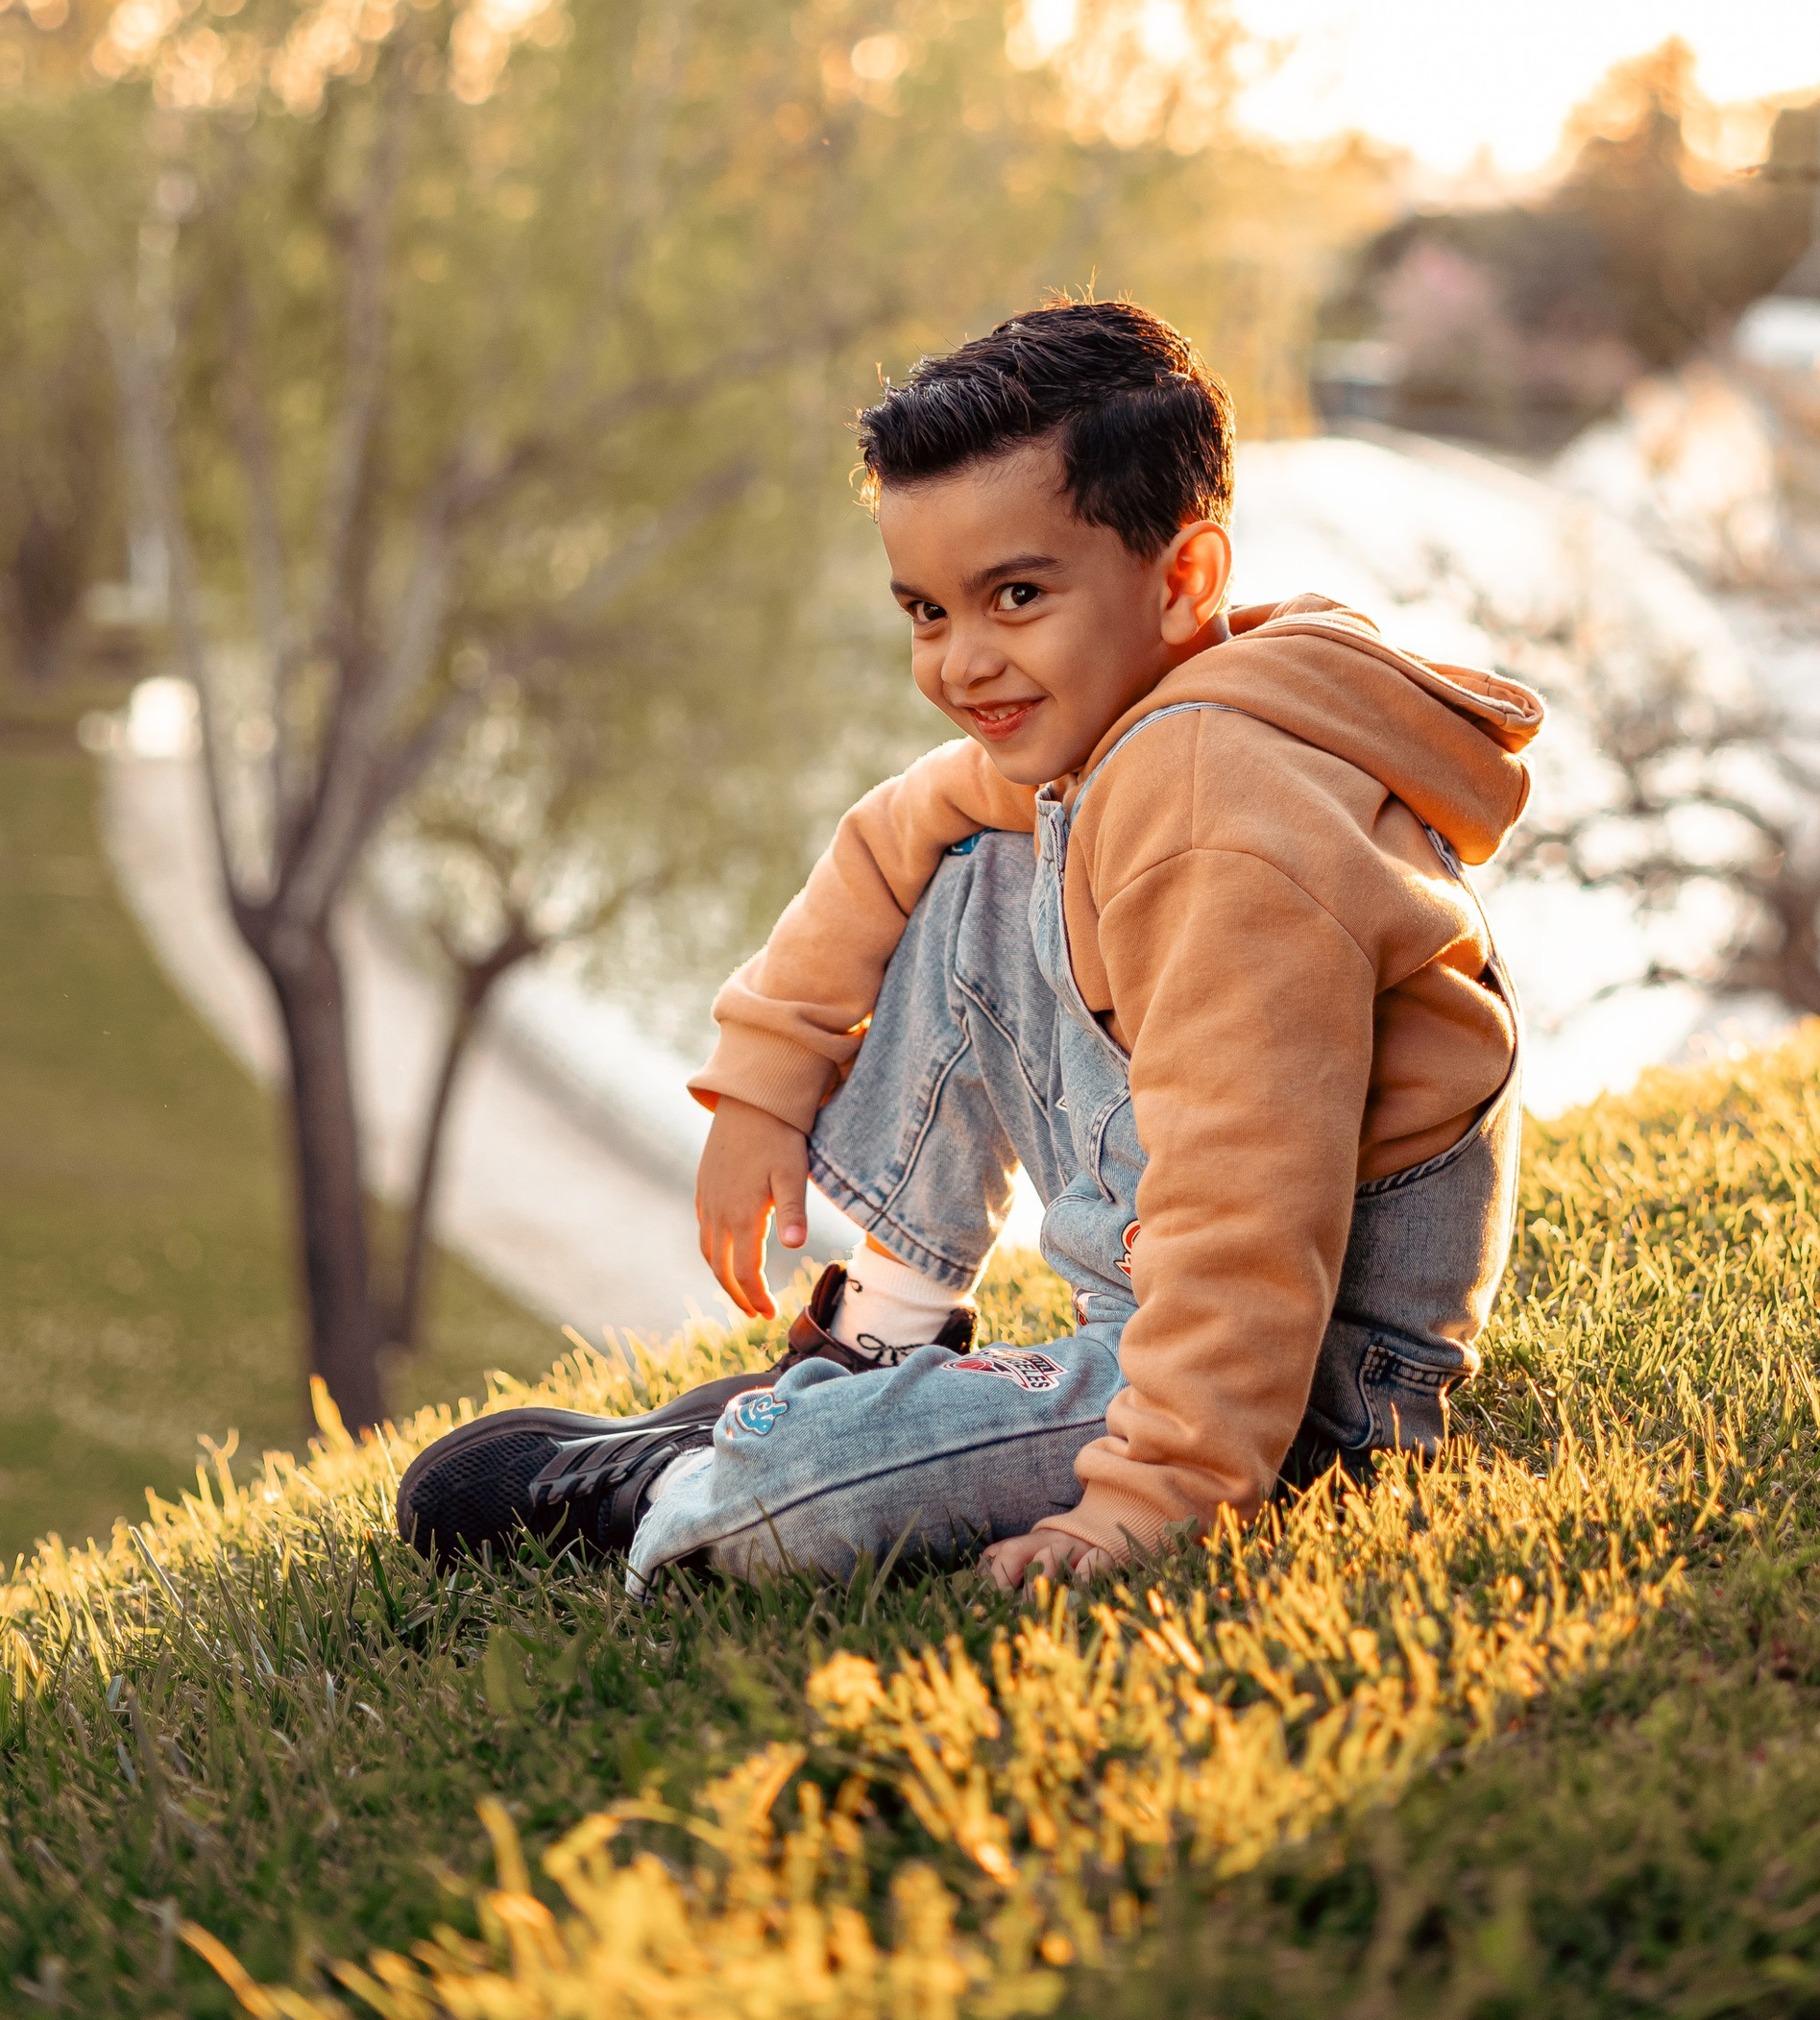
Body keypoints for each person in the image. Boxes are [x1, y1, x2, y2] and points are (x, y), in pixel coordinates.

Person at [397, 297, 1541, 1594]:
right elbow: (897, 829)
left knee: (798, 1495)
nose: (961, 664)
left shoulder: (1224, 817)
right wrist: (762, 1077)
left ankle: (710, 1478)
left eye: (1014, 595)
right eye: (926, 613)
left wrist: (1153, 1505)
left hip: (1305, 1397)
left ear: (1183, 581)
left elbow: (1248, 1218)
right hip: (1175, 1305)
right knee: (974, 859)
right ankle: (880, 1347)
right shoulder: (1142, 725)